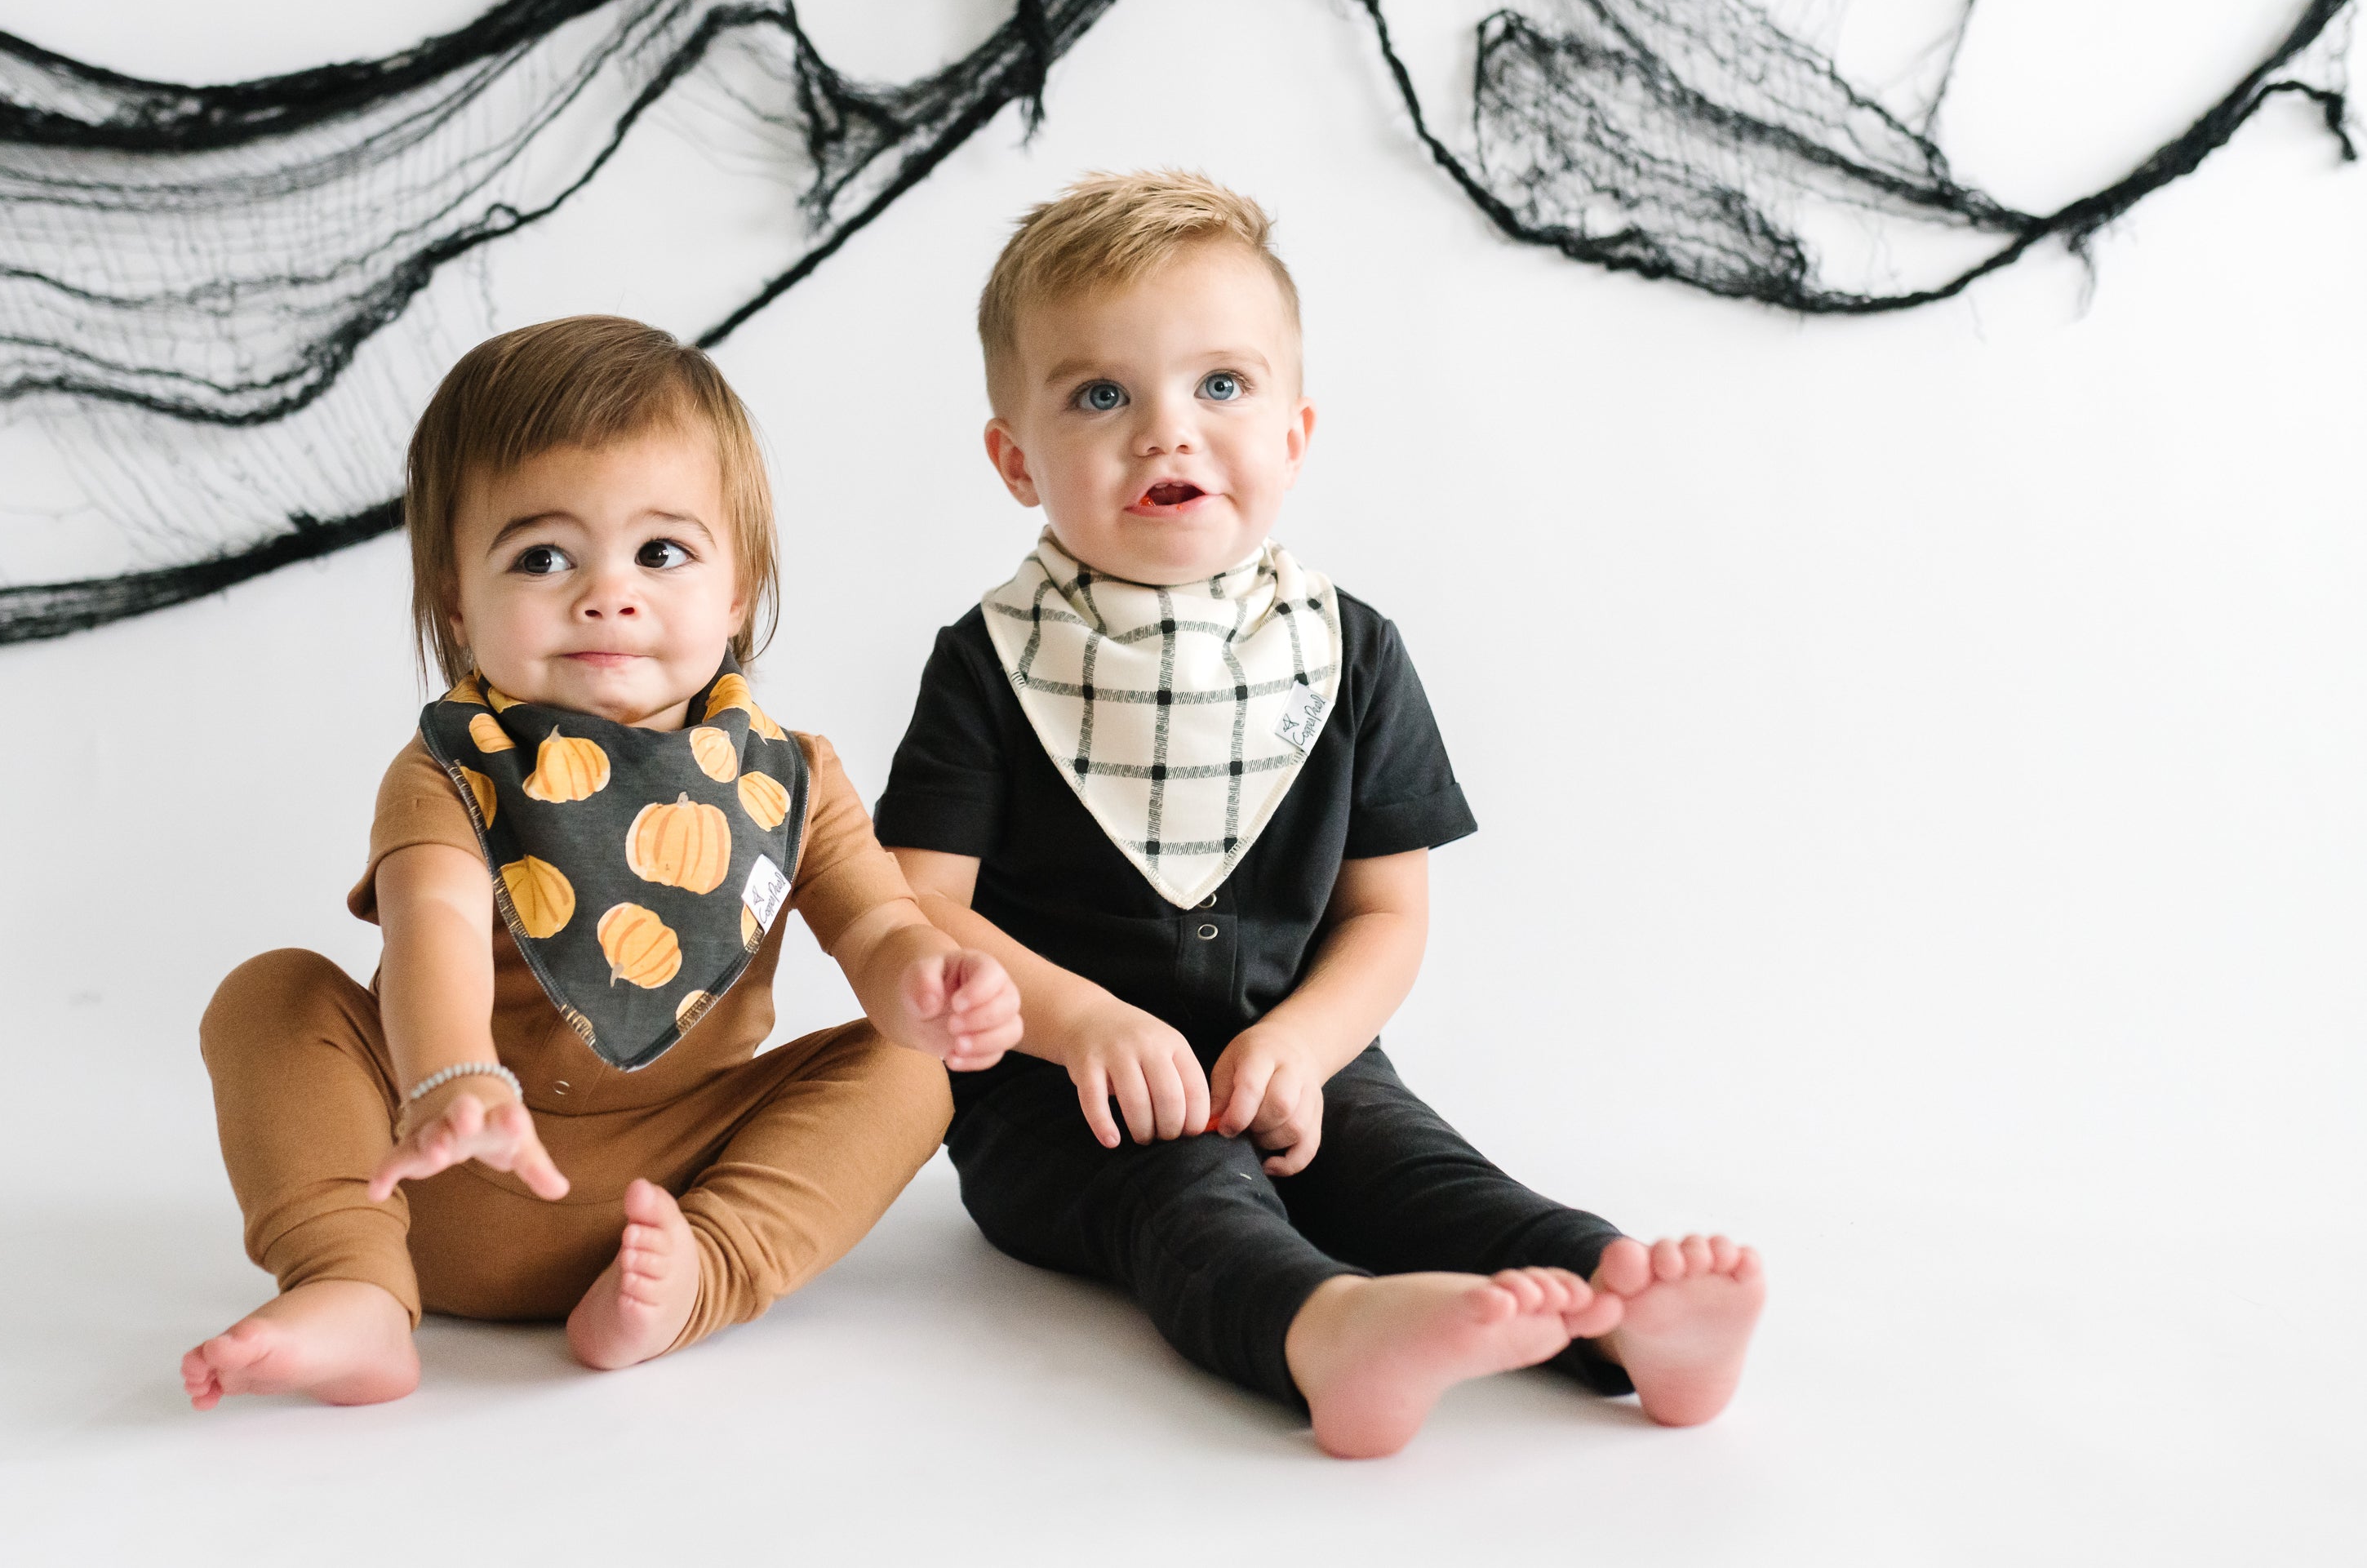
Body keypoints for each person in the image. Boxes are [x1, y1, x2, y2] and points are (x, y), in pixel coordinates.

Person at [877, 172, 1766, 1458]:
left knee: (1417, 1174)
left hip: (1308, 1056)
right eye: (1101, 395)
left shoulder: (1348, 652)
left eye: (1220, 386)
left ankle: (1622, 1310)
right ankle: (1328, 1333)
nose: (1169, 433)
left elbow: (1386, 914)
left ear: (1294, 436)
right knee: (1188, 1198)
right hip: (1061, 1102)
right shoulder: (988, 661)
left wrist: (1304, 1043)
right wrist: (1080, 1024)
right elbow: (918, 908)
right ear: (1016, 458)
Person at [183, 316, 1019, 1407]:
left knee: (912, 1070)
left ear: (736, 590)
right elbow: (435, 920)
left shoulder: (792, 778)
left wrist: (926, 982)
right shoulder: (453, 771)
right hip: (429, 1167)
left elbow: (878, 925)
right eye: (542, 557)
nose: (606, 594)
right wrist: (452, 1077)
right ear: (457, 602)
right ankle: (352, 1285)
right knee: (272, 993)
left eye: (660, 552)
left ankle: (702, 1276)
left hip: (666, 1192)